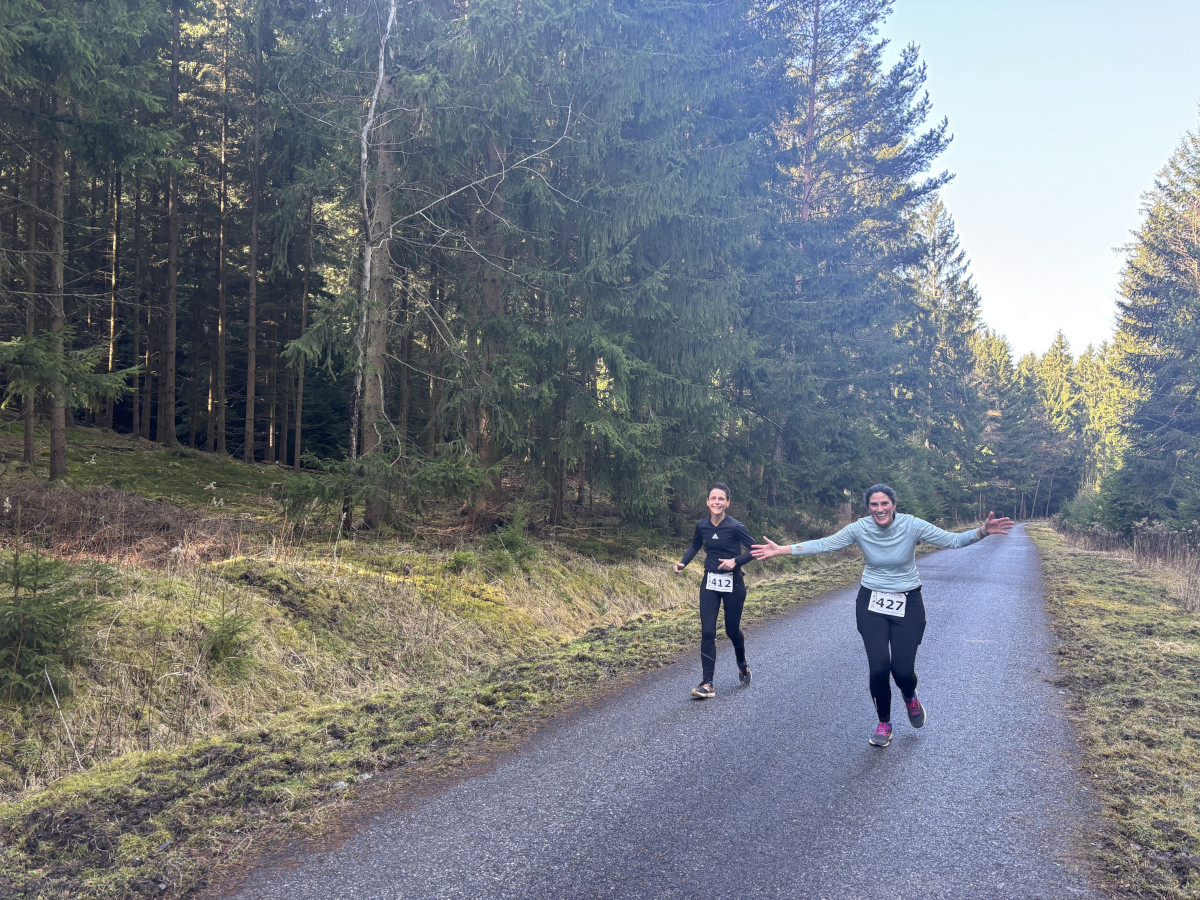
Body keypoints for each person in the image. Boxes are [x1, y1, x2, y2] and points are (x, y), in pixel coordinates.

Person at [751, 484, 1013, 747]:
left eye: (884, 503)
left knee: (902, 671)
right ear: (868, 508)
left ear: (894, 505)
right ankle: (884, 723)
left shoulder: (911, 525)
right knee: (878, 668)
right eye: (874, 505)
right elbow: (824, 544)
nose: (879, 509)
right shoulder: (860, 528)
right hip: (871, 602)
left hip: (908, 602)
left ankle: (910, 696)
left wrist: (982, 531)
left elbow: (952, 540)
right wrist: (780, 549)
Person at [674, 482, 756, 699]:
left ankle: (742, 662)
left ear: (727, 503)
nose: (717, 502)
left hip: (733, 584)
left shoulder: (736, 527)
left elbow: (755, 550)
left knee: (731, 630)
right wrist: (683, 563)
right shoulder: (702, 525)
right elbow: (695, 545)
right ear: (707, 502)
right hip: (710, 582)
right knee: (708, 631)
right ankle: (707, 683)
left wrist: (735, 561)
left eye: (721, 499)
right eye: (713, 498)